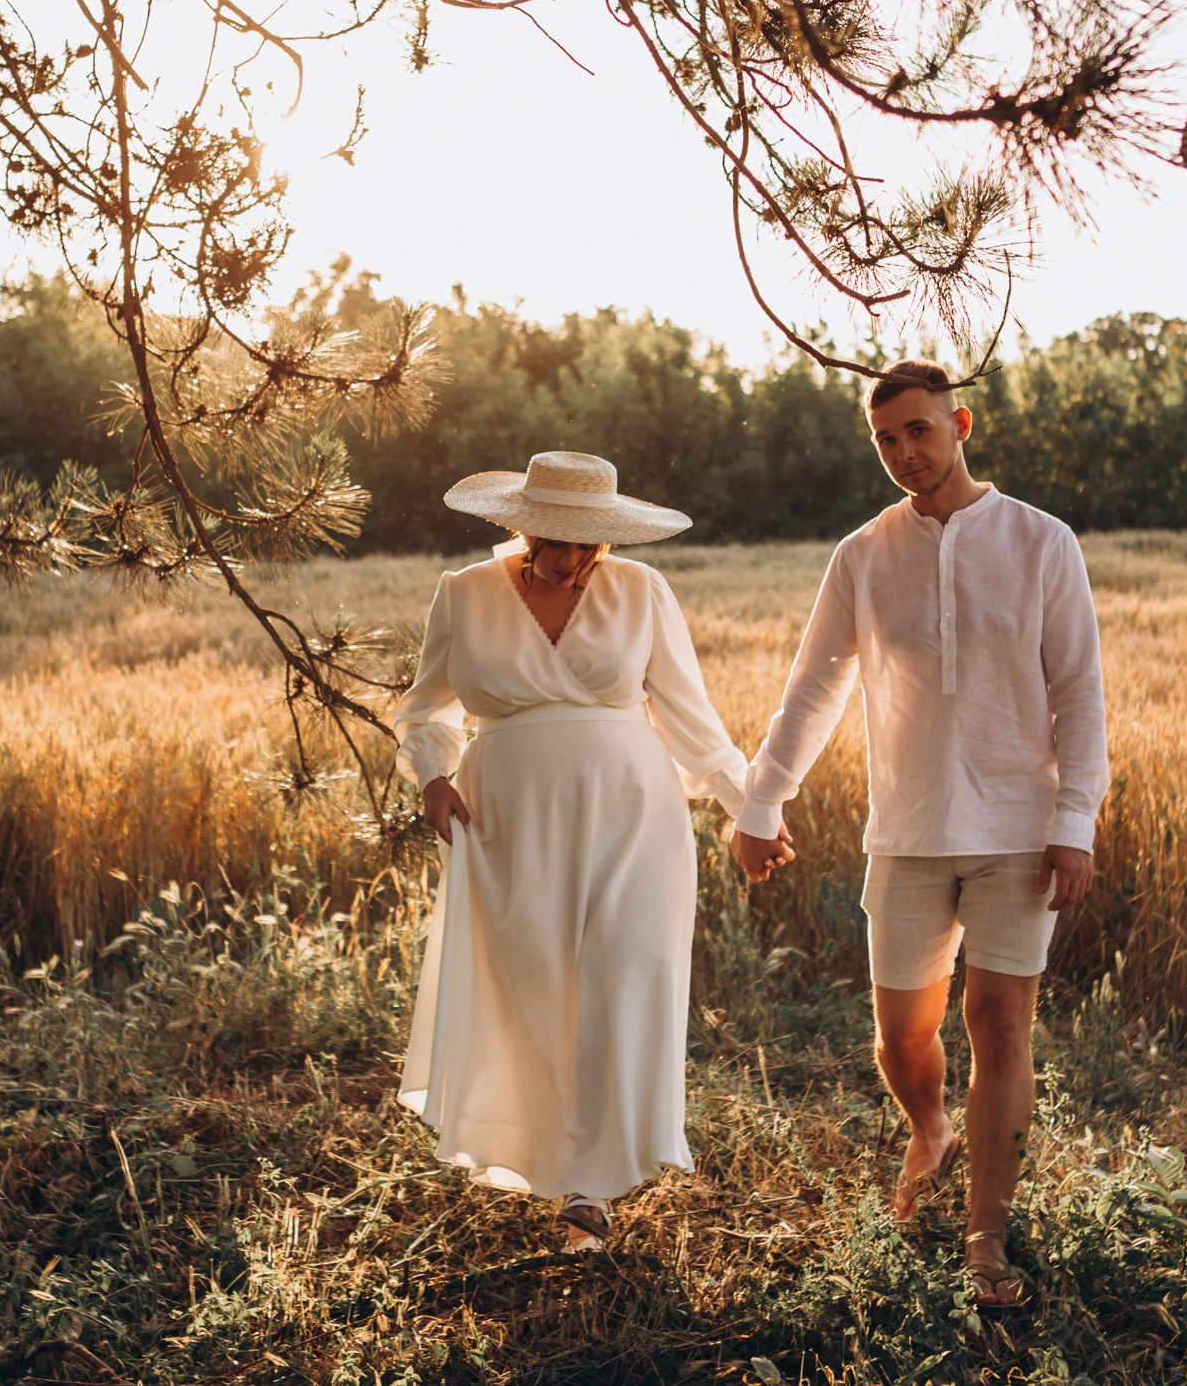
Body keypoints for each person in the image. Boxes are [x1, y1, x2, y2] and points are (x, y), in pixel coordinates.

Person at [729, 360, 1108, 1312]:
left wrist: (1075, 821)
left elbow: (1079, 691)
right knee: (901, 1036)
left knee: (1000, 1023)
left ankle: (986, 1236)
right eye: (886, 439)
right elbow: (814, 687)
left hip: (1020, 828)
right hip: (905, 827)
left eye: (918, 431)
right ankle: (929, 1127)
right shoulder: (862, 554)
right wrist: (760, 801)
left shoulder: (1041, 542)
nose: (904, 452)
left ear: (960, 422)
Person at [391, 451, 750, 1253]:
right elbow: (424, 708)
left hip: (633, 813)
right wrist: (431, 776)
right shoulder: (463, 594)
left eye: (591, 539)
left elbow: (693, 717)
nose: (574, 554)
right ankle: (552, 1159)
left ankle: (594, 1182)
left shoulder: (642, 591)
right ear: (522, 522)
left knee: (627, 972)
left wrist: (750, 803)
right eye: (558, 534)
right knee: (534, 983)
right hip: (510, 819)